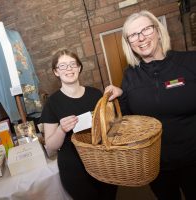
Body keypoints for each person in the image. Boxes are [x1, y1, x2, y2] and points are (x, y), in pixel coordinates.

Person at [106, 10, 196, 200]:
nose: (141, 38)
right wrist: (121, 96)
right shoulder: (130, 76)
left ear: (158, 31)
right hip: (157, 165)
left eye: (146, 29)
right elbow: (130, 121)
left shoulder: (190, 62)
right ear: (129, 43)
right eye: (133, 35)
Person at [40, 49, 119, 200]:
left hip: (103, 164)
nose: (69, 69)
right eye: (62, 66)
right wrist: (61, 129)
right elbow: (51, 145)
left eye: (72, 64)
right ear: (56, 72)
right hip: (74, 171)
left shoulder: (95, 94)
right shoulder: (52, 103)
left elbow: (109, 126)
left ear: (79, 68)